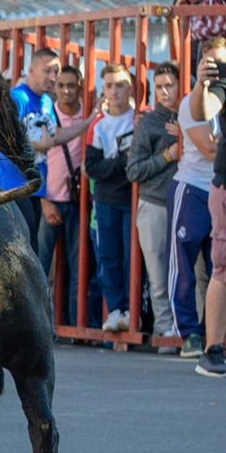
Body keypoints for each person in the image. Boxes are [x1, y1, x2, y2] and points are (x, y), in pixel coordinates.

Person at [171, 38, 225, 360]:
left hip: (215, 186)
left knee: (214, 269)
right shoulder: (193, 99)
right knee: (185, 267)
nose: (217, 68)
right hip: (194, 188)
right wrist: (203, 84)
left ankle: (211, 334)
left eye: (222, 62)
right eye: (211, 62)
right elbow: (210, 147)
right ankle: (188, 333)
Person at [126, 62, 181, 350]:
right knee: (158, 275)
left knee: (188, 273)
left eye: (169, 85)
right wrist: (169, 155)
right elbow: (133, 170)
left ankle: (188, 331)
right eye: (158, 86)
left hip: (186, 201)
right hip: (154, 204)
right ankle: (164, 334)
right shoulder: (148, 123)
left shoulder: (194, 116)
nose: (164, 92)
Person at [37, 65, 96, 327]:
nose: (66, 91)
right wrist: (44, 200)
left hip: (80, 201)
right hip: (50, 199)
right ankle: (40, 324)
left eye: (71, 85)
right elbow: (37, 160)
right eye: (61, 85)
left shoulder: (89, 116)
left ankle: (75, 324)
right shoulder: (47, 115)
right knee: (41, 267)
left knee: (78, 266)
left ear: (80, 86)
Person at [85, 65, 137, 334]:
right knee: (109, 257)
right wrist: (121, 163)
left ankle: (134, 310)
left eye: (119, 84)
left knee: (132, 258)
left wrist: (113, 165)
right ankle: (116, 309)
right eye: (109, 85)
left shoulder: (140, 119)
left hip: (132, 199)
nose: (114, 90)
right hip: (105, 200)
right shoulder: (98, 125)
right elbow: (92, 167)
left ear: (130, 87)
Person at [0, 48, 61, 246]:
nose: (52, 76)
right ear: (31, 70)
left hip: (34, 187)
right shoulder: (18, 98)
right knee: (22, 252)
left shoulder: (47, 101)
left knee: (29, 251)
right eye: (47, 70)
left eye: (56, 71)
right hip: (12, 188)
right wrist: (39, 146)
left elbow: (55, 136)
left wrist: (88, 122)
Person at [190, 37, 226, 376]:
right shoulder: (218, 82)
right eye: (211, 63)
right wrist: (204, 82)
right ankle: (213, 350)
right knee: (222, 270)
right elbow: (204, 111)